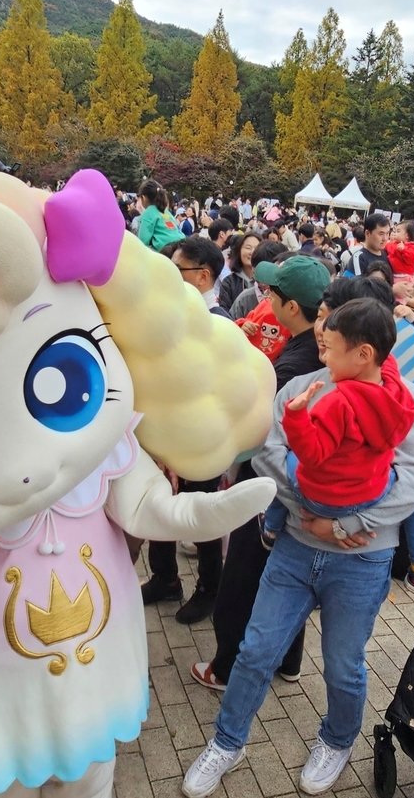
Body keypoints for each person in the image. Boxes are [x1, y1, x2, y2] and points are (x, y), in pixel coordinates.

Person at [183, 277, 414, 798]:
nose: (321, 329)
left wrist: (346, 523)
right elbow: (269, 454)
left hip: (361, 559)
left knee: (344, 665)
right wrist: (312, 499)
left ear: (361, 346)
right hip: (297, 545)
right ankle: (227, 742)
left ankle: (338, 739)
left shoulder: (404, 402)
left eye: (331, 319)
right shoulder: (301, 389)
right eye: (322, 316)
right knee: (255, 651)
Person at [260, 298, 414, 546]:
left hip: (321, 498)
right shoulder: (399, 395)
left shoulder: (338, 401)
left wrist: (296, 415)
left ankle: (270, 525)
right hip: (370, 494)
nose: (324, 356)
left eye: (330, 349)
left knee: (291, 457)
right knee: (396, 475)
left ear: (363, 354)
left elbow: (312, 454)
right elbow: (387, 367)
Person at [141, 236, 232, 623]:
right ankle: (165, 578)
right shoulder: (175, 312)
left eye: (177, 270)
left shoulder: (219, 323)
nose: (170, 277)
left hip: (201, 441)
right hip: (168, 434)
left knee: (201, 516)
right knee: (161, 508)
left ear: (202, 275)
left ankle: (211, 590)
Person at [217, 231, 261, 312]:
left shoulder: (266, 282)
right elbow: (225, 313)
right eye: (248, 248)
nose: (252, 252)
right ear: (239, 251)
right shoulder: (229, 283)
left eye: (257, 248)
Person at [135, 178, 181, 251]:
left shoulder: (148, 213)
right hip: (180, 247)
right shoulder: (165, 211)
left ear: (143, 197)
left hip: (165, 251)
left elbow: (143, 241)